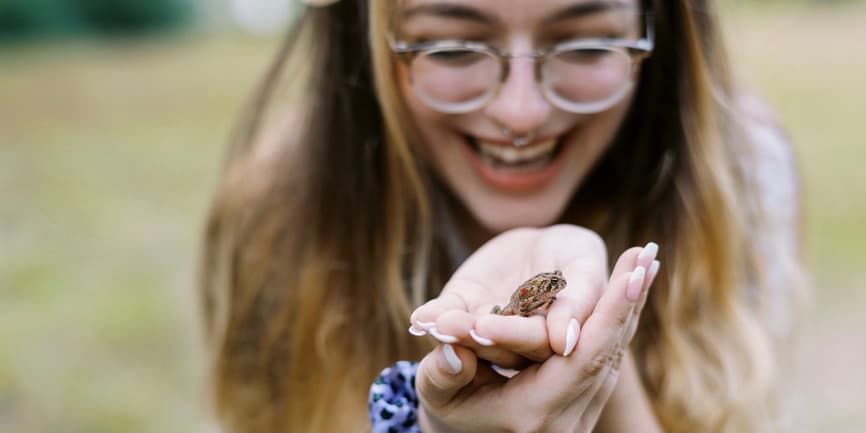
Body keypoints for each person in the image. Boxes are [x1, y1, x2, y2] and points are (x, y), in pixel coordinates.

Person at [198, 0, 805, 431]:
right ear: (369, 46)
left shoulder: (742, 176)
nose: (521, 113)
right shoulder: (280, 205)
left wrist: (603, 373)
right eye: (453, 46)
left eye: (589, 42)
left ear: (659, 38)